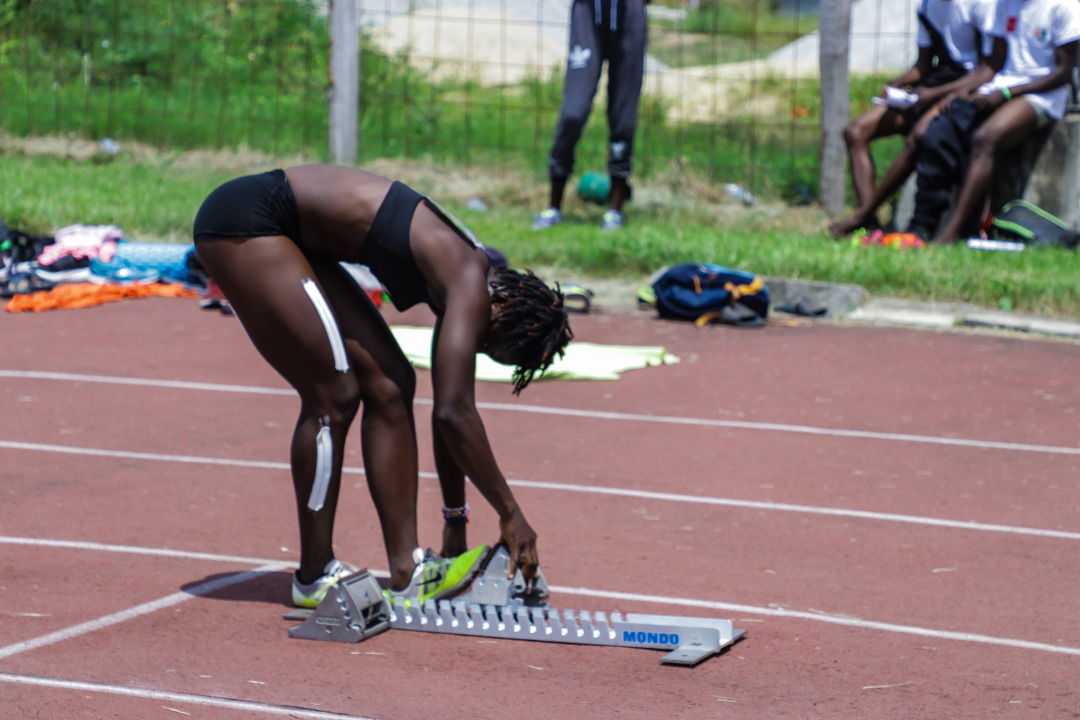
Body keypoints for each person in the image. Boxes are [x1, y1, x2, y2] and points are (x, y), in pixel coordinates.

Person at [192, 165, 572, 608]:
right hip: (247, 221)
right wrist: (511, 515)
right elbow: (454, 413)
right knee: (332, 396)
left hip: (296, 239)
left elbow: (448, 414)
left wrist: (455, 523)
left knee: (391, 383)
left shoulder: (469, 280)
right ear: (504, 304)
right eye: (489, 343)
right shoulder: (470, 281)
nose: (476, 347)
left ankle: (408, 570)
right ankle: (315, 575)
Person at [828, 0, 1002, 238]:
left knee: (920, 135)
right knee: (855, 131)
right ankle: (872, 226)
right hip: (933, 86)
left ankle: (862, 215)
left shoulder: (979, 6)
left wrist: (934, 95)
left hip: (964, 88)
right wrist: (899, 83)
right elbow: (923, 65)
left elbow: (986, 70)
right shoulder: (927, 6)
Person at [915, 0, 1080, 244]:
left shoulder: (1062, 7)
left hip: (1043, 96)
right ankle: (921, 225)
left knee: (985, 138)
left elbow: (1064, 73)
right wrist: (967, 91)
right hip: (1002, 87)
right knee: (942, 128)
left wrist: (1006, 94)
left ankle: (952, 232)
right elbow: (996, 63)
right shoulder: (1004, 5)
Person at [533, 0, 649, 232]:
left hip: (630, 14)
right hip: (588, 12)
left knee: (623, 115)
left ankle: (614, 211)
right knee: (573, 113)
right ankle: (553, 207)